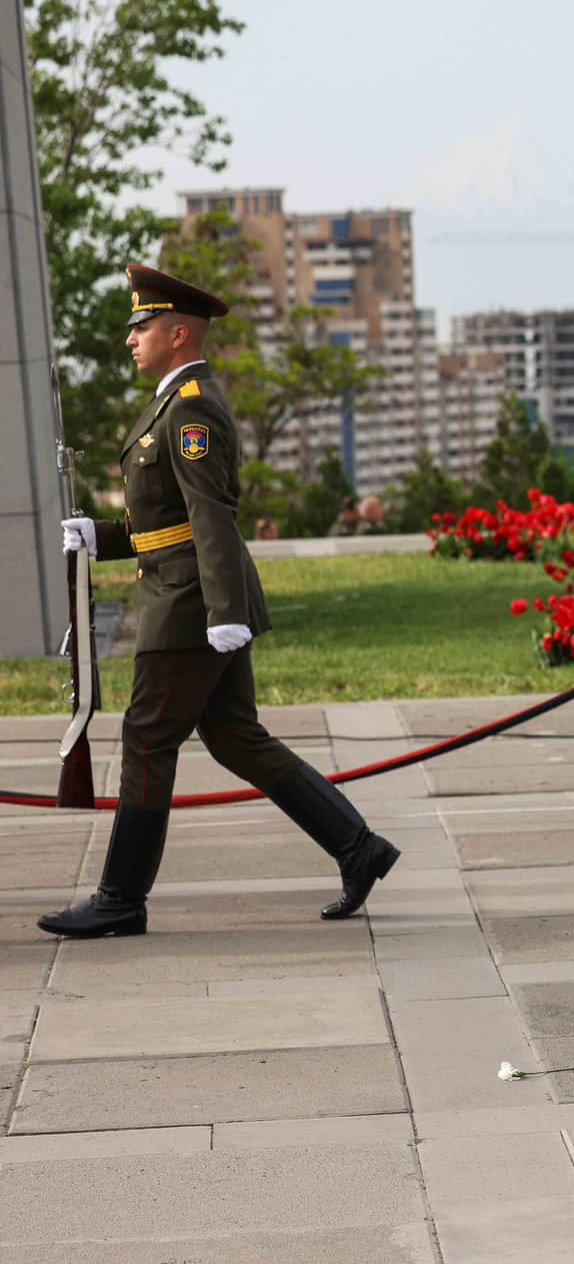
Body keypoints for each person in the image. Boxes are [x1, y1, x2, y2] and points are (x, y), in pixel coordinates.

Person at [41, 265, 402, 939]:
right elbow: (168, 523)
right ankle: (359, 848)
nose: (131, 339)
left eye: (141, 327)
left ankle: (122, 896)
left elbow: (211, 513)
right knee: (236, 738)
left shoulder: (193, 406)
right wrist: (104, 538)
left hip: (188, 605)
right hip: (187, 591)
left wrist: (224, 612)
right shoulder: (173, 401)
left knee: (147, 737)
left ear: (179, 333)